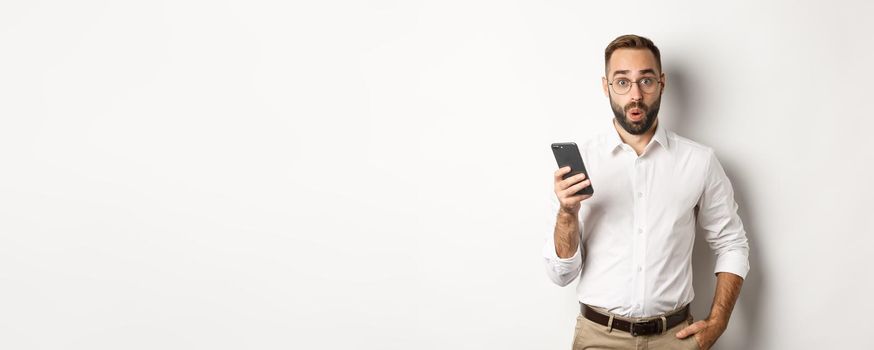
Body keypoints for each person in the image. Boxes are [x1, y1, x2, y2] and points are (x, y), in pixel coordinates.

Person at [543, 34, 750, 350]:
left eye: (647, 80)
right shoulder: (584, 162)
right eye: (622, 82)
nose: (635, 95)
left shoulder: (699, 161)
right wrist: (567, 214)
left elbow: (732, 242)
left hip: (675, 339)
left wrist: (718, 323)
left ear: (662, 83)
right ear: (606, 86)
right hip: (599, 339)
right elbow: (561, 275)